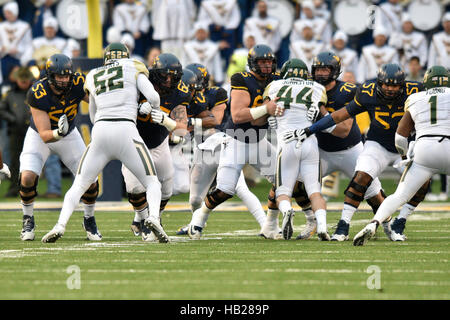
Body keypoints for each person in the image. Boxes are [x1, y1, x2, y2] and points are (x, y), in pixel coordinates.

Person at [283, 63, 430, 241]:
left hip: (406, 146)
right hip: (378, 145)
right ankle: (342, 226)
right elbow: (337, 116)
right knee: (360, 180)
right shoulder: (367, 92)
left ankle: (397, 224)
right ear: (379, 83)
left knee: (422, 184)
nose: (390, 89)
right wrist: (309, 130)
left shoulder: (416, 90)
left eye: (395, 85)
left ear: (403, 85)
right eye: (386, 85)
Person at [42, 43, 167, 243]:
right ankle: (153, 219)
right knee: (152, 182)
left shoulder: (93, 74)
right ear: (126, 55)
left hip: (100, 130)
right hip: (126, 129)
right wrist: (151, 108)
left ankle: (60, 224)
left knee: (79, 184)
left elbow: (92, 114)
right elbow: (153, 96)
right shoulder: (133, 66)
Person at [187, 44, 282, 240]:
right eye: (262, 62)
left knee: (283, 181)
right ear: (252, 64)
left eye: (269, 62)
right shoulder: (241, 79)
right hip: (238, 141)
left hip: (260, 141)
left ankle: (271, 225)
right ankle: (200, 218)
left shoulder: (276, 80)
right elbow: (238, 116)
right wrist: (267, 109)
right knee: (225, 190)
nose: (266, 66)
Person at [353, 66, 450, 246]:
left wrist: (405, 155)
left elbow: (400, 136)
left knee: (400, 195)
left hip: (424, 149)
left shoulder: (415, 98)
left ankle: (374, 222)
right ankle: (400, 221)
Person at [176, 63, 267, 236]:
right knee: (195, 199)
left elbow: (215, 120)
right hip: (203, 151)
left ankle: (266, 225)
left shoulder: (216, 93)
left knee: (241, 189)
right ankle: (194, 224)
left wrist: (189, 123)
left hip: (223, 145)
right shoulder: (181, 99)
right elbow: (180, 127)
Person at [18, 53, 100, 241]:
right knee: (28, 177)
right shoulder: (38, 92)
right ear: (49, 76)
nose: (64, 80)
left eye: (66, 76)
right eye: (59, 76)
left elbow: (97, 101)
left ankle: (89, 218)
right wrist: (57, 133)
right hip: (41, 136)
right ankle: (28, 218)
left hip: (69, 135)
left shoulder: (78, 83)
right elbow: (45, 134)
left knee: (91, 179)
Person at [309, 51, 383, 241]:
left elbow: (343, 130)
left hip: (351, 150)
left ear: (335, 71)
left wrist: (321, 109)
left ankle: (389, 224)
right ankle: (308, 222)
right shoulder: (308, 89)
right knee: (296, 183)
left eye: (326, 69)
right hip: (321, 151)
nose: (321, 73)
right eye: (318, 69)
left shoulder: (347, 90)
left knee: (372, 191)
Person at [124, 52, 188, 240]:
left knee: (167, 186)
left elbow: (182, 130)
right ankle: (144, 219)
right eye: (164, 76)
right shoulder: (141, 82)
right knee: (134, 189)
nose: (168, 80)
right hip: (134, 140)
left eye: (173, 76)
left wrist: (167, 122)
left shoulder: (180, 92)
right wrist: (135, 109)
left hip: (159, 141)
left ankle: (155, 219)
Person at [265, 58, 330, 240]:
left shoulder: (274, 85)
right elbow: (322, 112)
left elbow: (267, 108)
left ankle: (287, 211)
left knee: (283, 191)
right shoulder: (317, 87)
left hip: (287, 142)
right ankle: (322, 227)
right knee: (314, 191)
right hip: (310, 142)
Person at [0, 67, 34, 197]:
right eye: (22, 80)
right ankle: (14, 187)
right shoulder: (10, 94)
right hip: (15, 130)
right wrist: (12, 119)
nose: (24, 83)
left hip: (33, 130)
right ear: (17, 80)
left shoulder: (35, 92)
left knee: (32, 159)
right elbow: (2, 109)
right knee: (15, 160)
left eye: (26, 80)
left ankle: (29, 187)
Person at [0, 1, 33, 83]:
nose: (7, 15)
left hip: (19, 60)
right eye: (5, 13)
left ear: (15, 12)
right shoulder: (1, 26)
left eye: (9, 13)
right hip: (4, 60)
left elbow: (29, 45)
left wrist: (20, 52)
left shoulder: (25, 26)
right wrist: (1, 49)